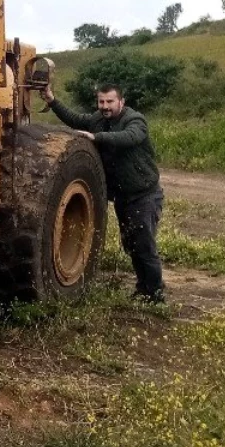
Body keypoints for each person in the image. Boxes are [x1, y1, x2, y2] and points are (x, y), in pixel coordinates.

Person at [44, 82, 165, 302]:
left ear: (121, 102)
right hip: (123, 197)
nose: (105, 106)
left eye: (110, 101)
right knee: (132, 244)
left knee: (144, 245)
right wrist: (52, 101)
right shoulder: (98, 120)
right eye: (101, 101)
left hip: (144, 194)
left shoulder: (134, 120)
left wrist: (96, 138)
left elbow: (129, 137)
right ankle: (143, 288)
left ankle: (155, 293)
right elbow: (75, 119)